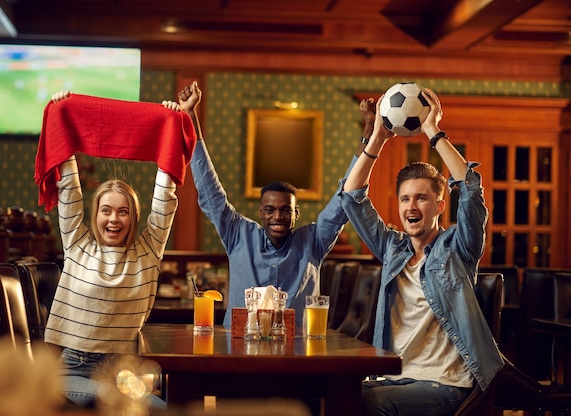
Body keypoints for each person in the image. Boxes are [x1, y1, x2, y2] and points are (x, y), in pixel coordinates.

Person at [339, 88, 504, 415]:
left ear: (440, 206)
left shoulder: (458, 248)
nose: (411, 206)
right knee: (330, 391)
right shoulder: (392, 247)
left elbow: (470, 191)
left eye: (421, 198)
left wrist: (433, 131)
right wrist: (377, 138)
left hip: (446, 383)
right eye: (405, 199)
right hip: (395, 376)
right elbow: (351, 197)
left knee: (368, 403)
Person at [162, 81, 372, 328]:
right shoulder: (239, 235)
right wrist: (190, 115)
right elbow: (210, 190)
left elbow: (343, 198)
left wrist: (369, 135)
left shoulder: (313, 241)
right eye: (270, 210)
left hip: (296, 356)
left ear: (296, 213)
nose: (278, 217)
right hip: (239, 355)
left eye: (286, 210)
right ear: (261, 212)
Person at [41, 90, 188, 410]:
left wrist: (170, 126)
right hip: (71, 368)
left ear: (133, 217)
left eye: (123, 211)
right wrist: (61, 112)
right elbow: (68, 188)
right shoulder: (77, 244)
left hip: (122, 370)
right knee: (135, 406)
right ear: (95, 215)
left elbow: (166, 197)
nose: (114, 218)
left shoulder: (148, 251)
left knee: (164, 407)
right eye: (106, 210)